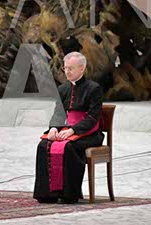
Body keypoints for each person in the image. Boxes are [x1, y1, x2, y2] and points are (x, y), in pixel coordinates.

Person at [33, 52, 104, 203]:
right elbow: (58, 113)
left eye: (71, 68)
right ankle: (48, 195)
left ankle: (68, 194)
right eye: (65, 68)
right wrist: (53, 128)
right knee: (44, 145)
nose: (67, 71)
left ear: (82, 68)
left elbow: (93, 117)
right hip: (67, 130)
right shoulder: (63, 89)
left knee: (69, 147)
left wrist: (73, 130)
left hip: (89, 134)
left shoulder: (94, 88)